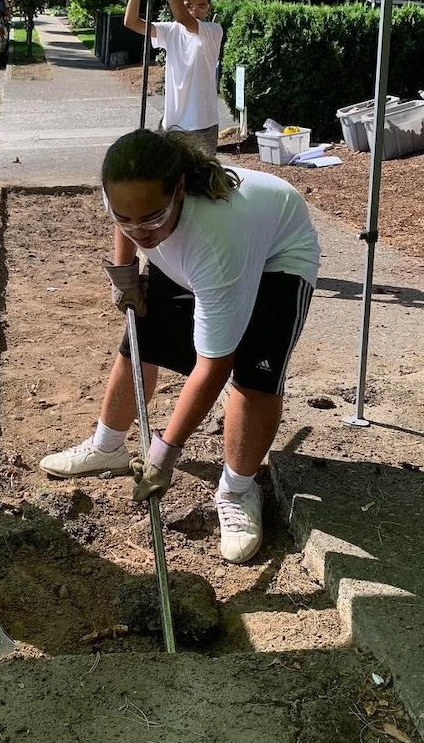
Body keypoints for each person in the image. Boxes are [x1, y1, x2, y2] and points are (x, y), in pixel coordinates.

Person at [39, 130, 320, 564]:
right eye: (124, 217)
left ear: (180, 190)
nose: (138, 230)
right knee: (141, 342)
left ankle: (237, 489)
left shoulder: (215, 239)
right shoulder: (133, 200)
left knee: (254, 375)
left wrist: (163, 454)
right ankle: (108, 445)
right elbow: (135, 225)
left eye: (151, 218)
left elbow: (214, 366)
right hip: (188, 249)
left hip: (276, 260)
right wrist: (125, 272)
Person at [124, 0, 223, 156]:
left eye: (201, 6)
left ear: (209, 7)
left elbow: (184, 20)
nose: (194, 11)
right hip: (173, 123)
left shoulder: (212, 31)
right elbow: (131, 22)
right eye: (187, 5)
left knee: (201, 182)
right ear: (179, 4)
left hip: (202, 123)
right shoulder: (170, 31)